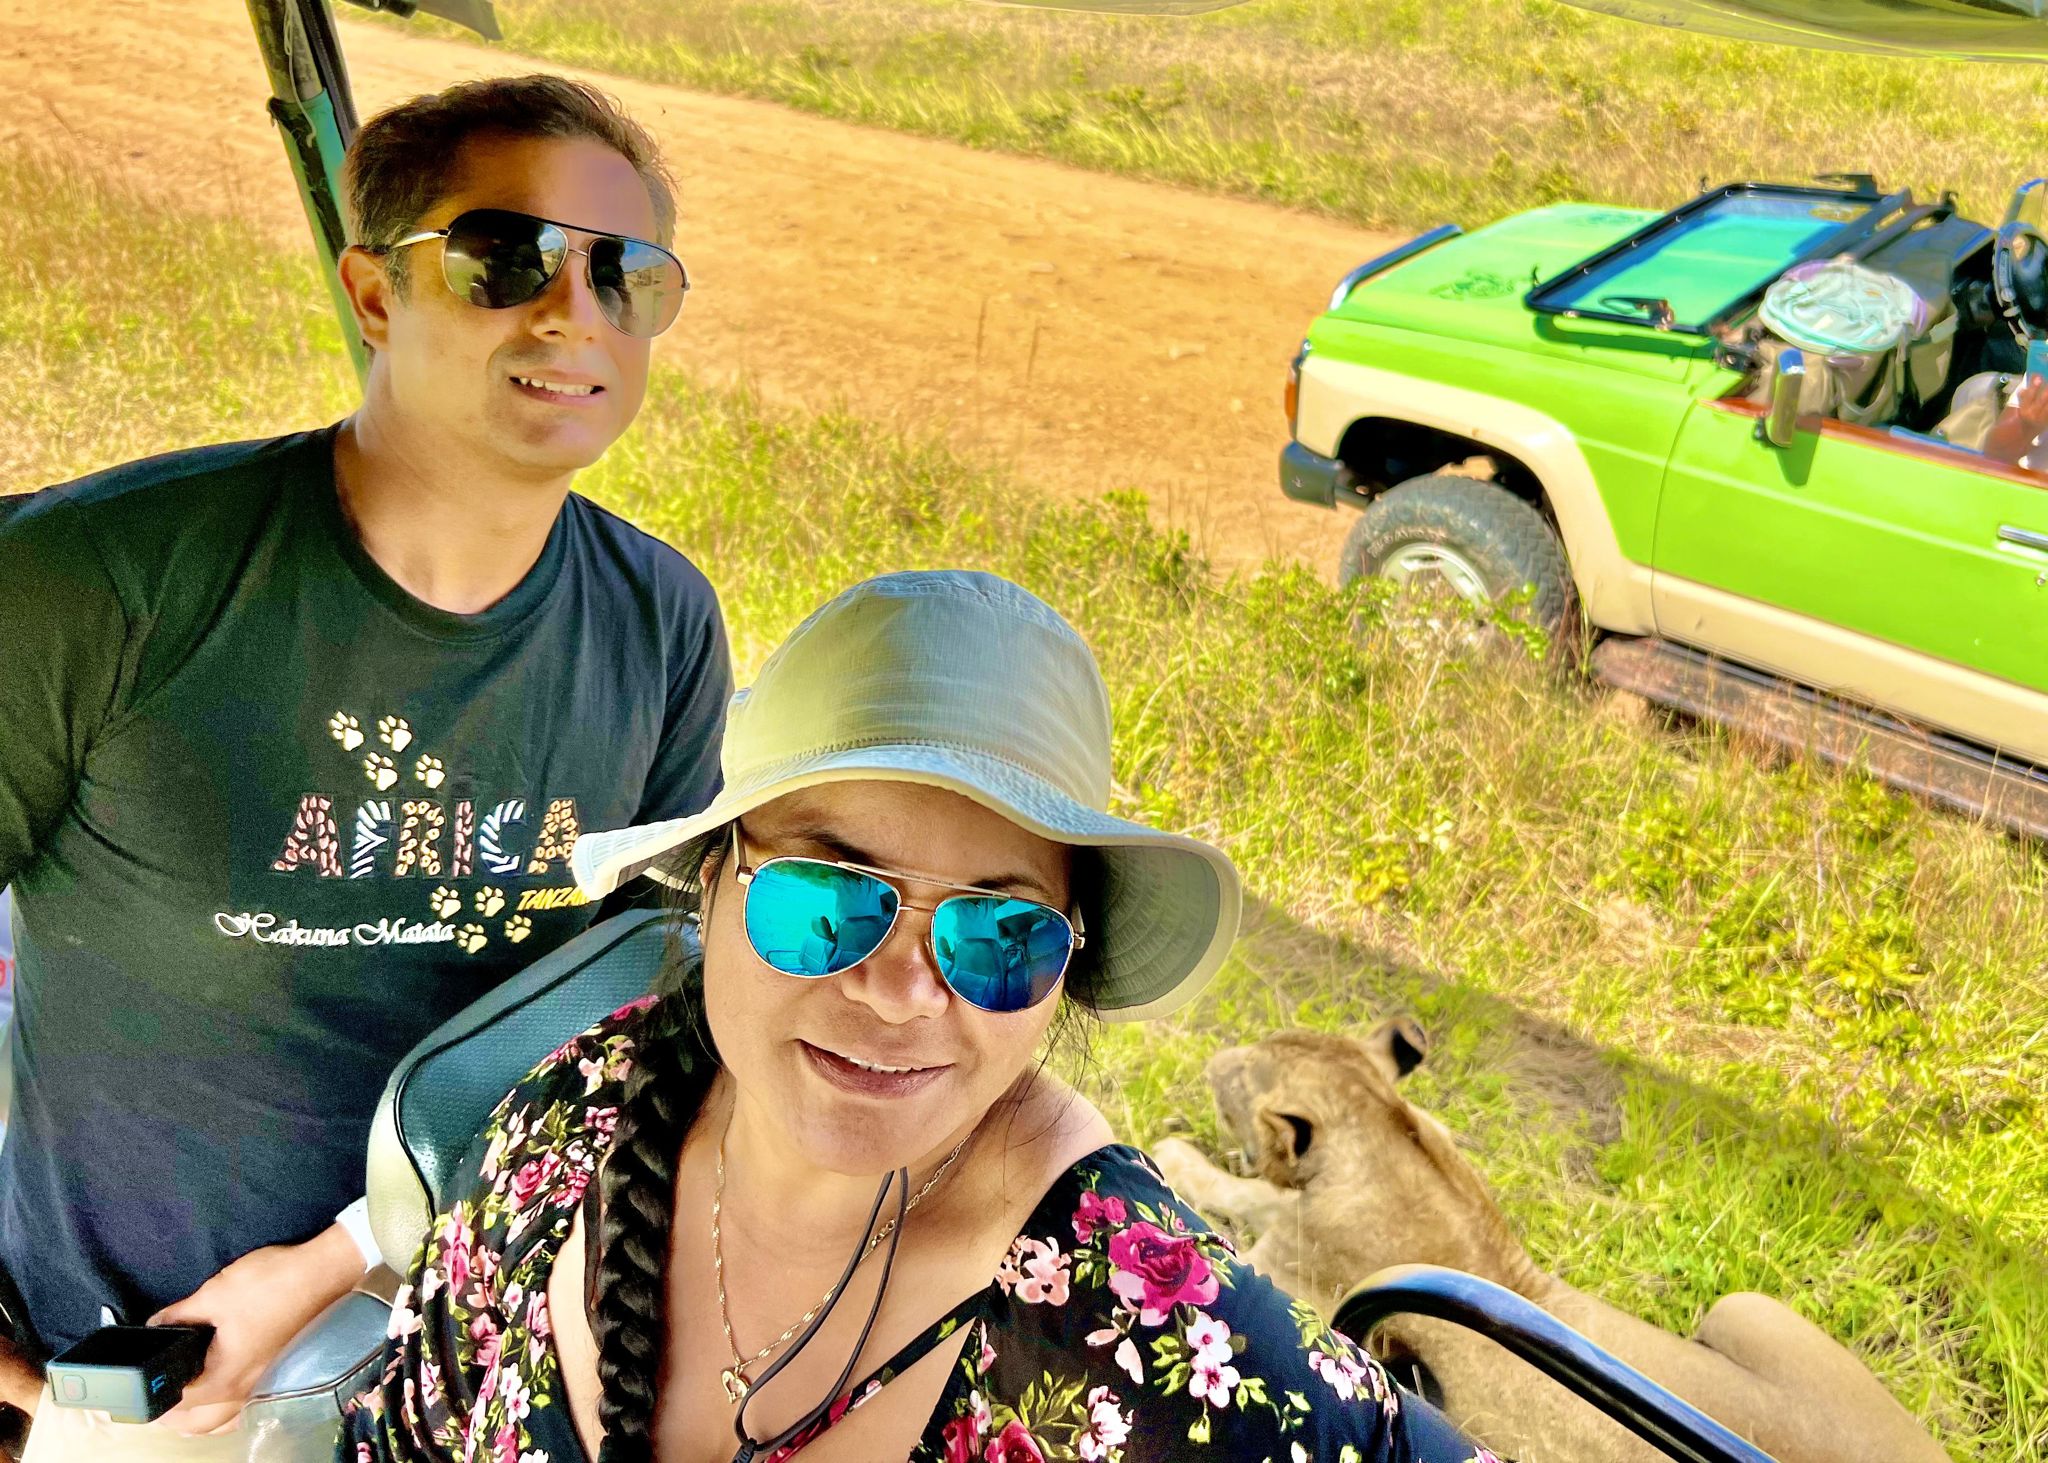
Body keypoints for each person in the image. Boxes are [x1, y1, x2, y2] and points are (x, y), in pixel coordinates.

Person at [341, 571, 1499, 1463]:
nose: (898, 993)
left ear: (1064, 959)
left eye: (997, 935)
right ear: (713, 880)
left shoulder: (1137, 1319)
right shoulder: (573, 1119)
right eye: (825, 898)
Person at [0, 75, 732, 1449]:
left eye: (624, 274)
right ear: (375, 291)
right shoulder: (96, 579)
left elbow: (634, 1010)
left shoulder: (662, 625)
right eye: (504, 257)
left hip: (475, 1345)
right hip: (123, 1366)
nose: (572, 311)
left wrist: (332, 1263)